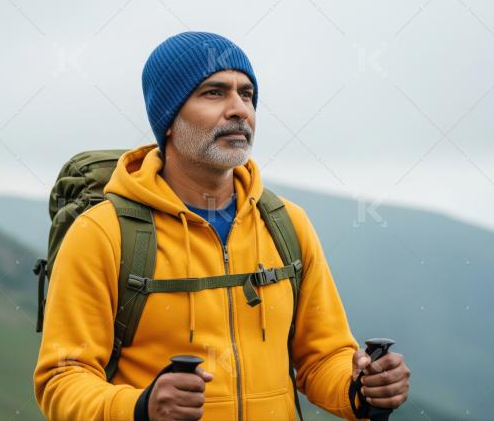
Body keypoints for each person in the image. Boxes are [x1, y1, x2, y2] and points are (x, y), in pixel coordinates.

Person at [33, 31, 410, 420]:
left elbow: (322, 358)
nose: (239, 110)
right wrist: (141, 407)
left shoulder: (286, 224)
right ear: (168, 118)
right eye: (214, 93)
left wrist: (360, 387)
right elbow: (63, 379)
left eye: (247, 94)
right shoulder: (102, 233)